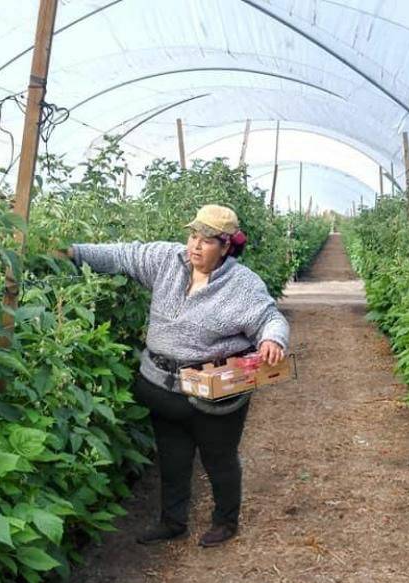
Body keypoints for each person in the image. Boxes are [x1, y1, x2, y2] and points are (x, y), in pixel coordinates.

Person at [65, 204, 289, 547]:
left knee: (219, 459)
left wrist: (273, 339)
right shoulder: (168, 261)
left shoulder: (242, 285)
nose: (196, 246)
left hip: (213, 394)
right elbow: (124, 255)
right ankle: (172, 521)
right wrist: (74, 253)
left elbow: (268, 317)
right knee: (172, 456)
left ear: (227, 247)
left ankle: (225, 521)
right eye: (193, 236)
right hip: (161, 386)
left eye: (208, 241)